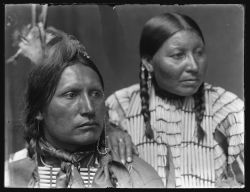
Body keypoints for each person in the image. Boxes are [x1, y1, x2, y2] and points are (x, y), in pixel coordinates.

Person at [5, 28, 164, 188]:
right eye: (71, 95)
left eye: (95, 94)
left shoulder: (138, 176)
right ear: (39, 109)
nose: (89, 108)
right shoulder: (11, 177)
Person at [106, 12, 244, 188]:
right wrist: (109, 130)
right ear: (149, 63)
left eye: (199, 53)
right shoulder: (120, 105)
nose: (193, 66)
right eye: (178, 55)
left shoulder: (228, 108)